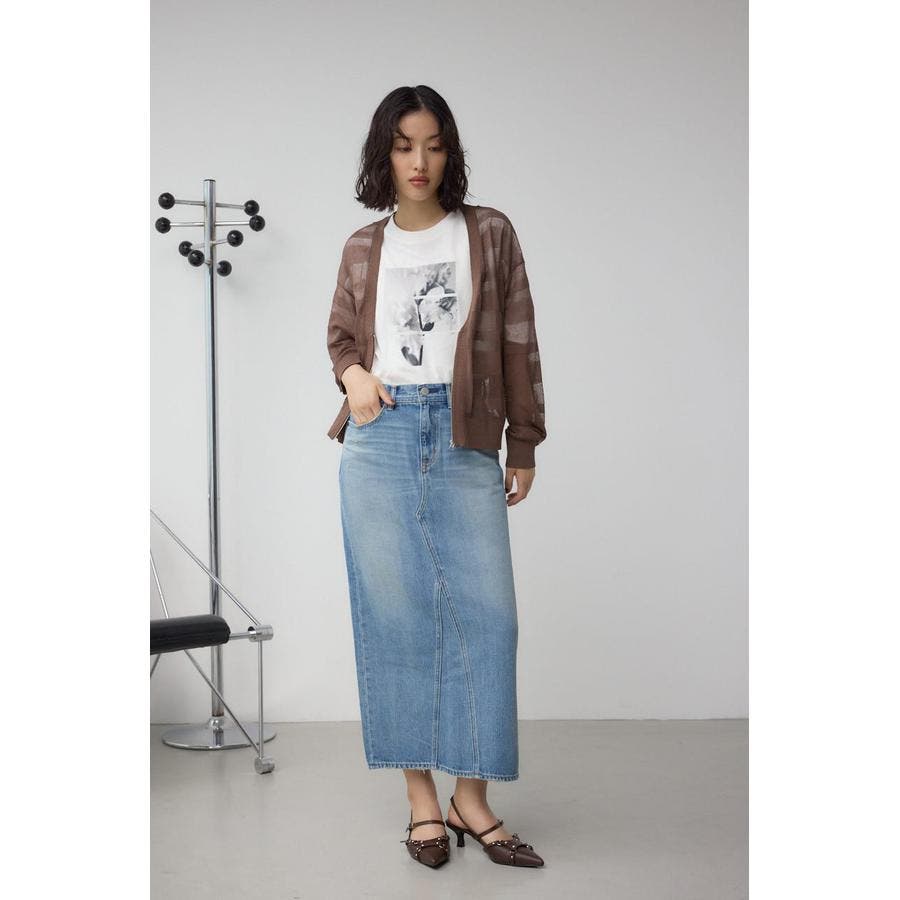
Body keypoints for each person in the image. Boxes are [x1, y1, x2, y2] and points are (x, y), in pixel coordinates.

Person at [325, 85, 547, 869]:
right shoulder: (364, 245)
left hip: (464, 435)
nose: (419, 161)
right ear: (383, 156)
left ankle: (471, 798)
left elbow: (518, 339)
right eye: (403, 146)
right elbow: (342, 337)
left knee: (489, 620)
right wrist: (353, 375)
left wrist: (524, 442)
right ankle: (421, 798)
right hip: (381, 436)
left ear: (451, 152)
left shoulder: (488, 233)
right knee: (397, 621)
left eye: (433, 144)